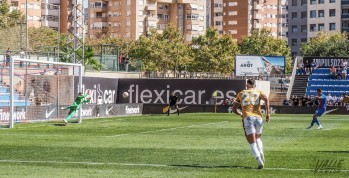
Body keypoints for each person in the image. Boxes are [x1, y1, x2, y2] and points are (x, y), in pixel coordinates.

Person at [232, 79, 270, 169]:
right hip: (259, 117)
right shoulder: (258, 91)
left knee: (252, 142)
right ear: (254, 85)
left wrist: (241, 114)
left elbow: (234, 109)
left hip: (248, 117)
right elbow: (266, 99)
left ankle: (259, 160)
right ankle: (261, 152)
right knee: (258, 138)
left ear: (247, 84)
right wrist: (268, 113)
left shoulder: (241, 93)